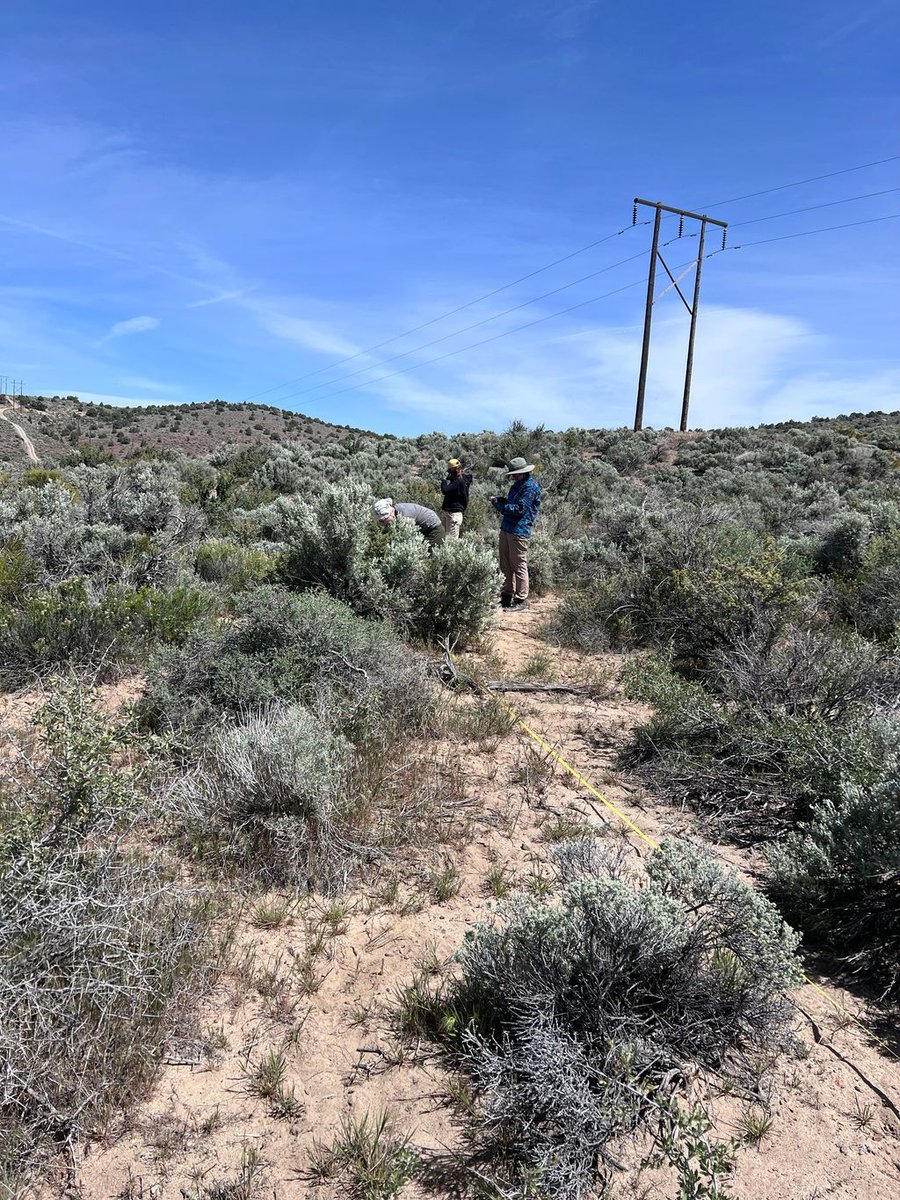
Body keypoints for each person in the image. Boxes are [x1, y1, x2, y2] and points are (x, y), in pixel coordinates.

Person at [489, 456, 542, 611]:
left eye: (515, 473)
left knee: (518, 564)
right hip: (507, 528)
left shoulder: (530, 488)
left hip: (519, 530)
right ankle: (506, 596)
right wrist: (502, 501)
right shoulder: (518, 485)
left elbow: (519, 509)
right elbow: (512, 504)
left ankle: (521, 599)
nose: (513, 476)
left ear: (522, 472)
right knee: (505, 563)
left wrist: (498, 504)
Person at [372, 497, 445, 549]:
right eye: (381, 521)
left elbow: (407, 539)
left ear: (391, 512)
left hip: (434, 529)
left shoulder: (405, 516)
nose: (384, 523)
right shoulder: (395, 513)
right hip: (422, 530)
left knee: (429, 556)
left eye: (385, 519)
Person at [439, 458, 472, 539]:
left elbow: (445, 490)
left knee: (451, 542)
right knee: (444, 539)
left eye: (450, 470)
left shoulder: (458, 482)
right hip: (450, 514)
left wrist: (444, 481)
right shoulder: (462, 479)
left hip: (453, 515)